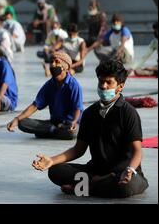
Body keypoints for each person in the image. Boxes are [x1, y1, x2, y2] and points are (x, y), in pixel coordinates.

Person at [32, 60, 149, 198]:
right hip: (95, 171)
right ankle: (93, 184)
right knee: (55, 171)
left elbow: (137, 151)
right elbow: (78, 150)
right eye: (101, 81)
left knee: (126, 187)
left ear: (120, 86)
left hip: (122, 173)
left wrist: (130, 169)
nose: (104, 86)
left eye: (109, 82)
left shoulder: (128, 113)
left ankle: (86, 187)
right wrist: (52, 160)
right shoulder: (89, 113)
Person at [7, 52, 83, 140]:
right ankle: (53, 130)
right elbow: (35, 105)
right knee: (22, 123)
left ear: (66, 67)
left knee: (72, 133)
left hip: (69, 123)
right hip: (54, 122)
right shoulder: (49, 85)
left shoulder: (74, 85)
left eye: (57, 62)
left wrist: (74, 122)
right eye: (51, 62)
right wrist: (17, 119)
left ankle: (49, 131)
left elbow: (78, 108)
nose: (52, 65)